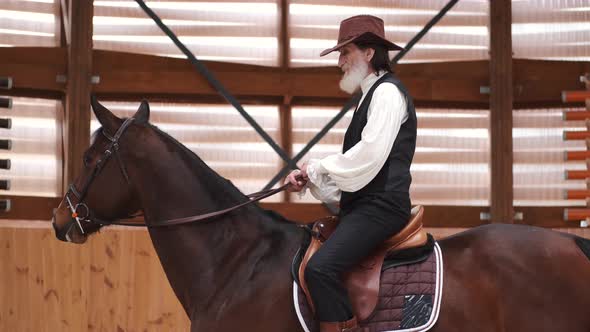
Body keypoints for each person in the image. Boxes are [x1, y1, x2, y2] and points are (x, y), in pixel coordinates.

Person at [285, 15, 417, 332]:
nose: (340, 62)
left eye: (346, 53)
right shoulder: (368, 96)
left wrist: (318, 167)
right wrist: (313, 177)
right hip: (365, 206)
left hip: (381, 209)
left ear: (369, 53)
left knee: (320, 268)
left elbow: (368, 158)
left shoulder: (387, 94)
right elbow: (357, 172)